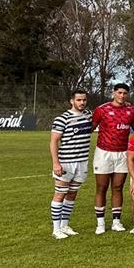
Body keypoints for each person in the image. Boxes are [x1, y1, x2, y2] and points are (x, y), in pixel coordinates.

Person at [90, 83, 134, 233]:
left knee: (118, 187)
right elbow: (90, 127)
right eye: (119, 92)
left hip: (122, 153)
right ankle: (100, 223)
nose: (122, 96)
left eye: (125, 93)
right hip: (103, 153)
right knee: (101, 188)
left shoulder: (131, 110)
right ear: (113, 93)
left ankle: (116, 221)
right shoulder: (101, 109)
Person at [48, 89, 92, 239]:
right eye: (79, 100)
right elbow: (53, 142)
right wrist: (56, 163)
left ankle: (64, 225)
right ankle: (56, 230)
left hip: (82, 162)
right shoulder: (62, 119)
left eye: (84, 100)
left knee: (72, 194)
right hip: (66, 162)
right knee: (60, 194)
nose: (82, 102)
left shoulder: (88, 115)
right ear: (72, 101)